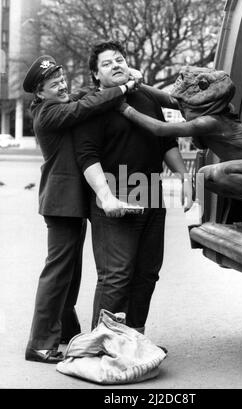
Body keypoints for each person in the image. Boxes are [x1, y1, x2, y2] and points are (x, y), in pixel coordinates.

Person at [23, 55, 138, 363]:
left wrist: (118, 81)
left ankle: (64, 332)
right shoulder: (48, 112)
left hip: (68, 202)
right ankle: (39, 343)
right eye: (53, 84)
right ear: (39, 93)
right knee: (58, 272)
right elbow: (86, 106)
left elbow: (87, 97)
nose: (61, 86)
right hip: (61, 202)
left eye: (62, 80)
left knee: (69, 273)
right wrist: (124, 86)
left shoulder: (58, 104)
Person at [74, 41, 193, 333]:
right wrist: (105, 196)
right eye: (106, 63)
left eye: (119, 59)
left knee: (147, 273)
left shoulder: (145, 99)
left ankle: (134, 338)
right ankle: (102, 343)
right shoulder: (93, 106)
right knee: (116, 275)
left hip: (151, 192)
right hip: (115, 196)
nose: (116, 65)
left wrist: (185, 177)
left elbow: (166, 142)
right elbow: (87, 157)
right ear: (96, 76)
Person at [118, 66, 242, 229]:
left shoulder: (208, 122)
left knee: (207, 174)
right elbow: (170, 100)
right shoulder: (212, 110)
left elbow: (160, 129)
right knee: (205, 179)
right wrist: (134, 84)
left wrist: (125, 109)